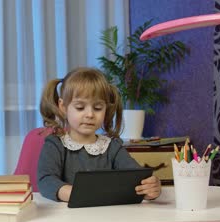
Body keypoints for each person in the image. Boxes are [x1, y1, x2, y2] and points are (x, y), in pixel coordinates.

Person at [37, 67, 162, 202]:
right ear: (63, 107)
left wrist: (151, 188)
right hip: (68, 218)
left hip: (106, 217)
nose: (90, 115)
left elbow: (137, 178)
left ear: (106, 109)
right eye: (80, 107)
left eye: (97, 108)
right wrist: (72, 192)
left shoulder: (112, 147)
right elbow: (46, 180)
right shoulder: (55, 145)